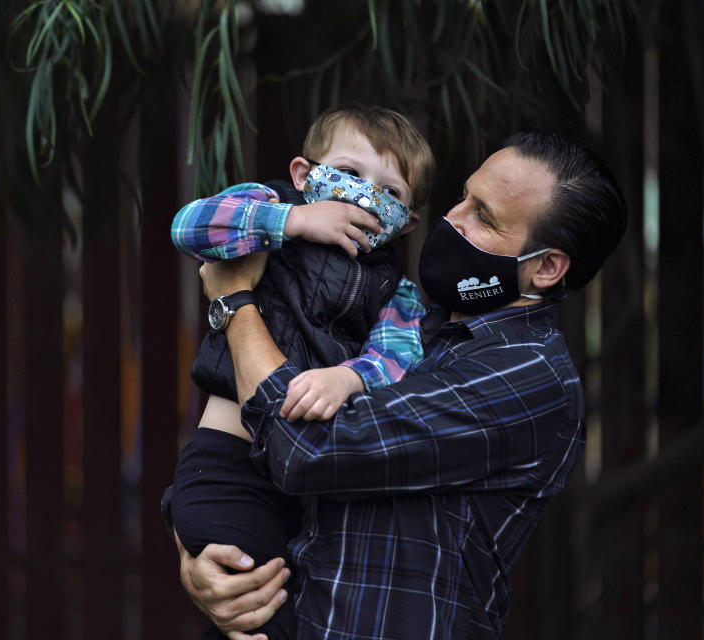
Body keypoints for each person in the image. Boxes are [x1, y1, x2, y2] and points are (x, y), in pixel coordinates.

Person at [178, 130, 628, 640]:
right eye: (463, 197)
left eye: (483, 216)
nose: (452, 219)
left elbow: (305, 450)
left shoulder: (527, 376)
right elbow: (244, 456)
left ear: (545, 267)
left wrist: (235, 301)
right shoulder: (404, 324)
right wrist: (205, 557)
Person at [163, 104, 437, 640]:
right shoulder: (268, 212)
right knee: (263, 608)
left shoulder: (393, 287)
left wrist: (349, 378)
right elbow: (189, 226)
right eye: (352, 174)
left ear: (407, 222)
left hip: (307, 495)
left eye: (392, 192)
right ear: (304, 175)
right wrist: (291, 219)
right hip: (229, 469)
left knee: (297, 611)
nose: (366, 194)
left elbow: (397, 357)